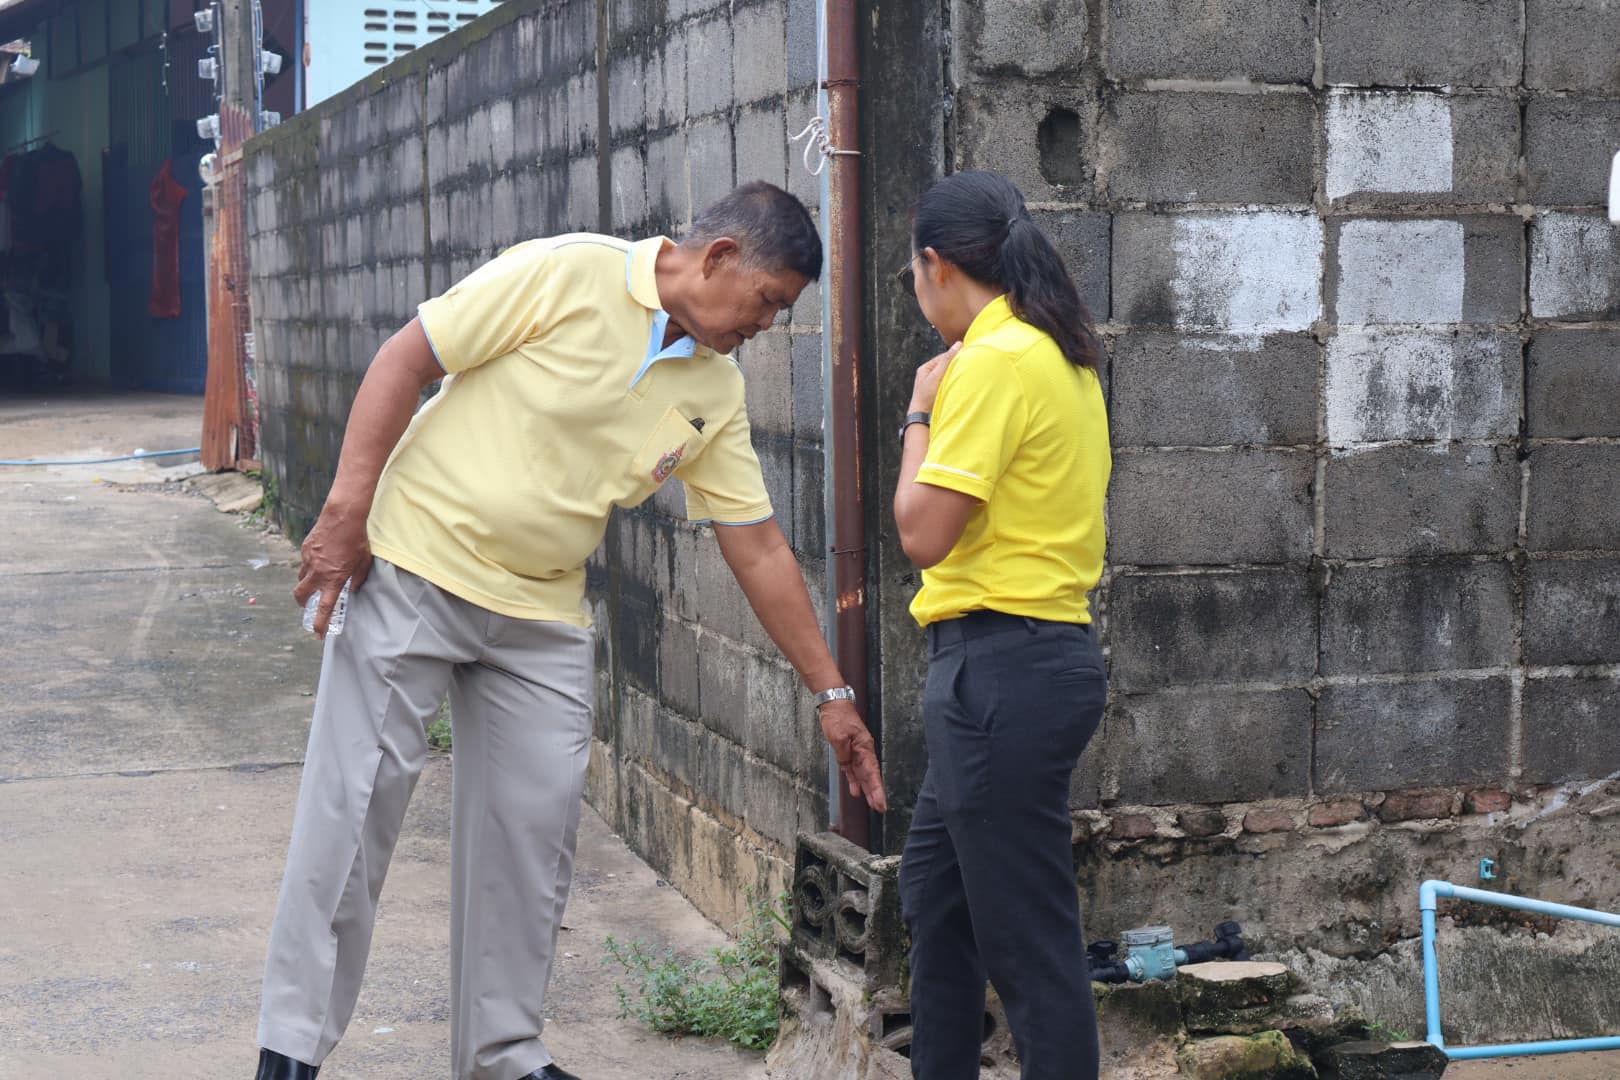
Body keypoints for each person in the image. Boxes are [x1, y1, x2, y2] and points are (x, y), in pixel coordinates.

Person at [254, 181, 887, 1080]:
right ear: (718, 258)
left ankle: (502, 1055)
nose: (767, 325)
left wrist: (832, 693)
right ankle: (290, 1051)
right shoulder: (569, 272)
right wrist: (346, 511)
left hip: (541, 613)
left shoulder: (716, 389)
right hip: (418, 563)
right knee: (351, 814)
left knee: (531, 834)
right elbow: (406, 359)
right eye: (767, 301)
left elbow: (758, 547)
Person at [891, 170, 1110, 1080]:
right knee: (938, 902)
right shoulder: (1058, 350)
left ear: (936, 264)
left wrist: (918, 412)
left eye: (913, 272)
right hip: (1023, 663)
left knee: (1027, 943)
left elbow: (922, 533)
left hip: (1000, 669)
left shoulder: (990, 361)